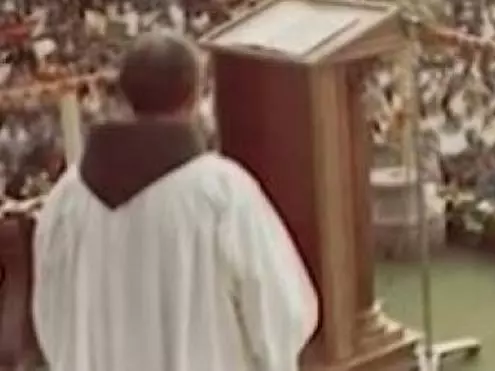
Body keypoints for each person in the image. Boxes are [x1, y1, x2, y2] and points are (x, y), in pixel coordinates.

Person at [32, 31, 317, 371]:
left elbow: (51, 322)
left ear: (124, 95)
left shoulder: (65, 199)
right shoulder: (221, 194)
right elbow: (280, 316)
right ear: (195, 96)